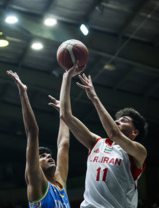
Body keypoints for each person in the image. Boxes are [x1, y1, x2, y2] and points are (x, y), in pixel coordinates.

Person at [59, 61, 148, 208]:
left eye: (124, 120)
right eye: (116, 119)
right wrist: (66, 77)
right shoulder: (96, 143)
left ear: (135, 132)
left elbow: (114, 134)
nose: (117, 122)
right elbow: (65, 116)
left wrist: (94, 98)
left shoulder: (138, 152)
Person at [7, 70, 71, 208]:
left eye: (49, 155)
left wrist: (63, 114)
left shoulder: (60, 183)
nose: (48, 156)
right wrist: (23, 93)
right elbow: (32, 132)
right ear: (36, 163)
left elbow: (63, 144)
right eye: (42, 156)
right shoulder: (38, 182)